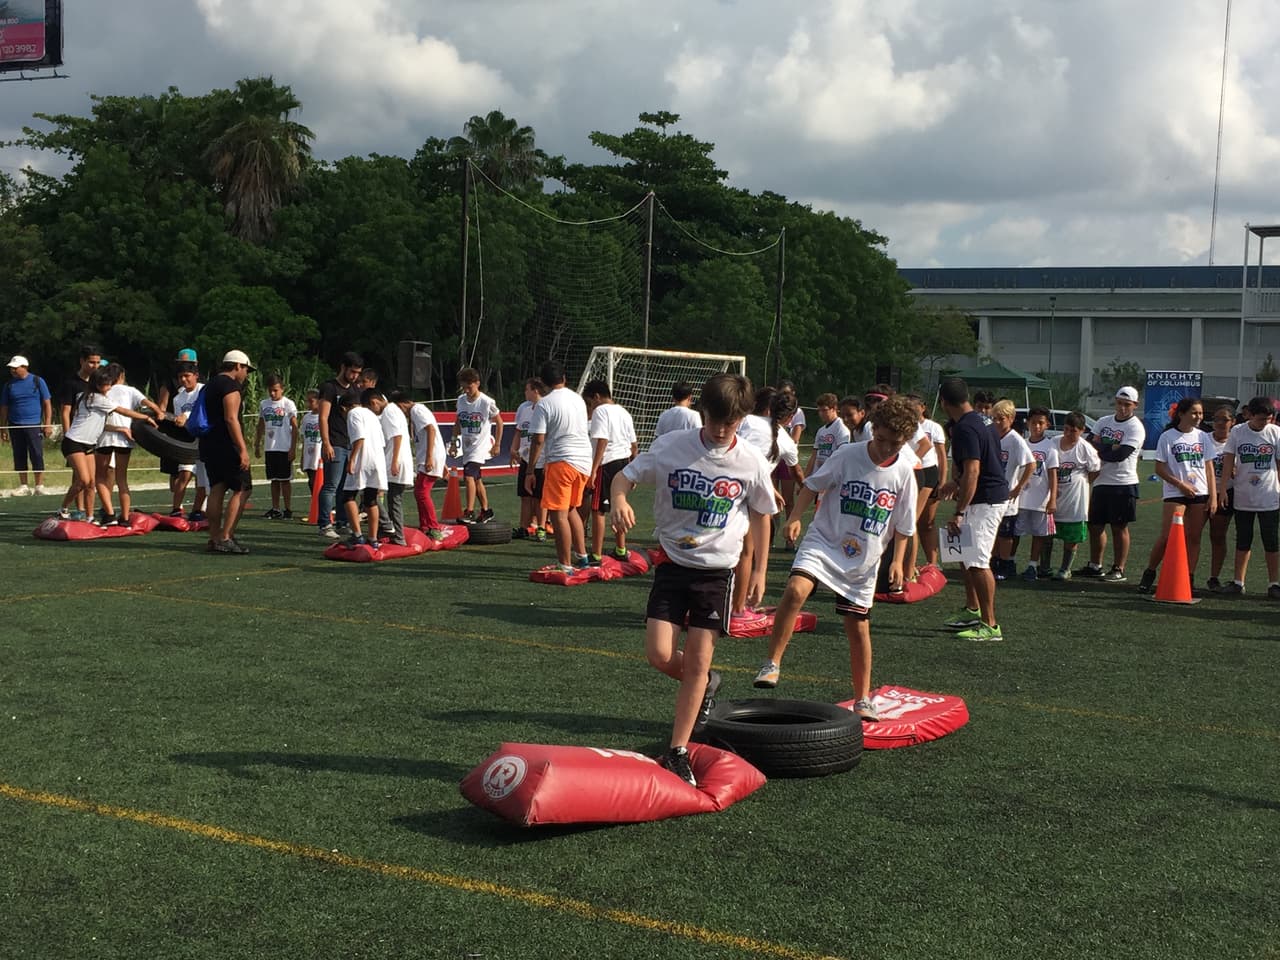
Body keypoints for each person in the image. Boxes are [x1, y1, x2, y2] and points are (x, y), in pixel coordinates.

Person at [609, 372, 776, 787]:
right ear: (702, 412)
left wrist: (758, 569)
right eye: (715, 420)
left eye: (731, 423)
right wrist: (619, 500)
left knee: (698, 662)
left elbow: (762, 514)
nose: (721, 431)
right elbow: (623, 476)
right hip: (671, 564)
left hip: (716, 573)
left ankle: (677, 748)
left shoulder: (751, 460)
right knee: (659, 655)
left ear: (742, 419)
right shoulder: (671, 447)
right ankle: (706, 682)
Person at [752, 395, 920, 718]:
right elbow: (812, 486)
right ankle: (772, 663)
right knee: (795, 590)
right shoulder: (848, 455)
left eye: (894, 443)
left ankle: (862, 698)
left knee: (858, 628)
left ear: (905, 441)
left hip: (864, 560)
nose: (885, 448)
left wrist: (898, 561)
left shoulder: (903, 474)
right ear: (873, 431)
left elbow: (904, 526)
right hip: (825, 541)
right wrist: (795, 517)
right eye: (881, 439)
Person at [936, 377, 1010, 641]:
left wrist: (958, 510)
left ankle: (990, 625)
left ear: (944, 402)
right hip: (984, 495)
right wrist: (954, 484)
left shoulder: (965, 428)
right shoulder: (982, 419)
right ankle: (972, 609)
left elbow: (974, 470)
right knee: (966, 555)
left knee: (978, 562)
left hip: (986, 500)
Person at [734, 387, 802, 614]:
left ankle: (725, 603)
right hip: (752, 497)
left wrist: (769, 487)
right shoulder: (787, 441)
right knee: (746, 553)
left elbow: (740, 454)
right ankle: (737, 608)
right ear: (790, 418)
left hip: (726, 488)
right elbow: (796, 473)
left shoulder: (747, 421)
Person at [1138, 398, 1215, 594]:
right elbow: (1160, 468)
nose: (1199, 417)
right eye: (1194, 413)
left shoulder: (1203, 437)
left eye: (1201, 413)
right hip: (1175, 493)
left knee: (1194, 537)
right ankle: (1150, 572)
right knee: (1168, 536)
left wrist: (1212, 496)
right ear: (1182, 414)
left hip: (1199, 493)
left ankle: (1188, 577)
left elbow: (1209, 468)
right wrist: (1180, 485)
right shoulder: (1168, 436)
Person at [57, 367, 156, 522]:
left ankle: (89, 517)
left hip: (89, 444)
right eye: (104, 385)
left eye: (109, 384)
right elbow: (122, 410)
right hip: (74, 442)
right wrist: (145, 417)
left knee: (91, 483)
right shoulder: (95, 398)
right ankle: (63, 508)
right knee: (83, 480)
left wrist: (120, 428)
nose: (108, 388)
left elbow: (101, 424)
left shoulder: (98, 398)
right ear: (96, 384)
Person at [526, 361, 593, 576]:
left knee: (558, 514)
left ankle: (565, 564)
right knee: (572, 508)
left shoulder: (544, 404)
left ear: (543, 383)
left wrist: (530, 471)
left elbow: (538, 440)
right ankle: (582, 556)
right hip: (583, 461)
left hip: (562, 461)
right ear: (563, 378)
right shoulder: (578, 399)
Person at [1077, 386, 1146, 582]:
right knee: (1095, 525)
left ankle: (1118, 568)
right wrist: (1109, 446)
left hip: (1123, 483)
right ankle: (1095, 565)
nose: (1122, 408)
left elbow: (1120, 455)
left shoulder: (1135, 427)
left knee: (1118, 527)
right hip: (1101, 481)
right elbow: (1089, 445)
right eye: (1119, 403)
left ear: (1135, 405)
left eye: (1127, 404)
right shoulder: (1103, 421)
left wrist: (1102, 447)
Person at [1218, 396, 1280, 598]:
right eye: (1262, 419)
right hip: (1243, 496)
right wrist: (1222, 489)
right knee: (1243, 540)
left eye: (1269, 419)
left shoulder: (1276, 432)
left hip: (1269, 495)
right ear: (1249, 415)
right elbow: (1228, 460)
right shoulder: (1238, 432)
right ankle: (1238, 582)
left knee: (1271, 541)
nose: (1266, 423)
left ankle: (1274, 583)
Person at [94, 364, 163, 525]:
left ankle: (109, 514)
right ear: (122, 376)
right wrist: (159, 413)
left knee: (101, 477)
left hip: (105, 436)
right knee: (122, 479)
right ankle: (124, 517)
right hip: (125, 438)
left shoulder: (103, 390)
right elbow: (149, 404)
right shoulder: (130, 390)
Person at [200, 351, 255, 554]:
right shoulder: (230, 386)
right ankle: (226, 536)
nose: (246, 374)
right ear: (238, 366)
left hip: (208, 443)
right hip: (227, 444)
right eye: (246, 370)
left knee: (217, 488)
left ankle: (214, 538)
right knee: (242, 488)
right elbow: (231, 419)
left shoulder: (209, 385)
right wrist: (242, 449)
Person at [583, 379, 638, 563]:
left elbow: (602, 441)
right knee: (618, 506)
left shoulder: (601, 411)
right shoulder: (624, 412)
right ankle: (621, 549)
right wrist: (634, 469)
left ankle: (596, 554)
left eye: (590, 402)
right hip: (624, 463)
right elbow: (634, 446)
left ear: (596, 397)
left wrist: (593, 470)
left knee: (598, 509)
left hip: (607, 463)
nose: (591, 407)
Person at [1046, 412, 1100, 579]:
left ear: (1082, 430)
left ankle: (1065, 568)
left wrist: (1082, 483)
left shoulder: (1085, 448)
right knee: (1047, 533)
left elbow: (1095, 470)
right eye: (1066, 430)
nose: (1069, 434)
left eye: (1073, 431)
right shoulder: (1053, 443)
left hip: (1075, 499)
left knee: (1072, 535)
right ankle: (1044, 567)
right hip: (1053, 496)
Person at [317, 352, 364, 539]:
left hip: (350, 443)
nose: (354, 376)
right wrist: (326, 443)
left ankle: (343, 521)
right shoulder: (329, 388)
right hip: (335, 442)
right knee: (331, 485)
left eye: (357, 373)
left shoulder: (355, 391)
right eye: (352, 371)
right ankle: (324, 524)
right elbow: (323, 417)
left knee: (346, 486)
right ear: (343, 367)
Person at [394, 390, 448, 542]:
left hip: (429, 456)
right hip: (428, 455)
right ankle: (425, 525)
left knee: (422, 492)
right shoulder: (416, 412)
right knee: (419, 492)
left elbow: (431, 429)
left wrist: (430, 456)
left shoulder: (417, 410)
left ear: (401, 405)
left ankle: (433, 526)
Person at [991, 399, 1036, 581]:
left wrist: (1018, 487)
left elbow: (1031, 464)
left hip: (1007, 494)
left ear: (1010, 418)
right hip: (992, 492)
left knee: (1005, 532)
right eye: (994, 418)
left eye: (1000, 419)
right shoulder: (992, 435)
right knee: (992, 530)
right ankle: (992, 561)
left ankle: (1005, 564)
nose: (996, 422)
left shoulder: (1015, 440)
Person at [1017, 407, 1060, 582]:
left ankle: (1032, 565)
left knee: (1038, 534)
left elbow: (1053, 475)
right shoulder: (1021, 443)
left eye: (1040, 423)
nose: (1036, 426)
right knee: (1014, 532)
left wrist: (1052, 499)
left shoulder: (1050, 447)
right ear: (1027, 423)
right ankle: (1009, 562)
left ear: (1047, 425)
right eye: (1033, 422)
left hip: (1040, 499)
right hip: (1019, 498)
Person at [59, 344, 103, 518]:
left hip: (91, 437)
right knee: (80, 477)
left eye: (98, 362)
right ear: (82, 361)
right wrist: (67, 434)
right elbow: (65, 411)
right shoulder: (71, 383)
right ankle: (77, 509)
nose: (95, 366)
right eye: (91, 362)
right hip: (75, 436)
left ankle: (87, 513)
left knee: (88, 479)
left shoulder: (98, 384)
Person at [454, 367, 502, 523]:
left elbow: (499, 422)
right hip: (468, 446)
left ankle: (469, 511)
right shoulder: (461, 400)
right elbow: (458, 422)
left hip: (479, 447)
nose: (467, 390)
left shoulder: (486, 402)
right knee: (476, 479)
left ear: (477, 383)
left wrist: (497, 445)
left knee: (468, 476)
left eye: (470, 386)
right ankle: (486, 510)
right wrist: (454, 442)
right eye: (464, 387)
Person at [342, 389, 388, 548]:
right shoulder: (371, 415)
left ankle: (357, 535)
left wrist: (352, 459)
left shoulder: (352, 414)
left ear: (344, 408)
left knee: (347, 496)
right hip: (377, 459)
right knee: (371, 499)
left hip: (363, 460)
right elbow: (382, 441)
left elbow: (359, 437)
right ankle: (373, 538)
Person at [1, 355, 53, 495]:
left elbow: (47, 403)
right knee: (19, 454)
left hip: (33, 424)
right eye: (11, 368)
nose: (12, 371)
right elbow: (4, 407)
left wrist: (47, 424)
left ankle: (39, 485)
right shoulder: (9, 385)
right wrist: (3, 427)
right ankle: (23, 485)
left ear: (24, 367)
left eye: (15, 368)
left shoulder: (37, 381)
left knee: (37, 454)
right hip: (15, 424)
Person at [909, 395, 947, 572]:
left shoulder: (933, 427)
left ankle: (933, 562)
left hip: (927, 471)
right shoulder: (905, 423)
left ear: (923, 407)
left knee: (927, 522)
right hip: (911, 473)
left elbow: (941, 455)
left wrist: (943, 480)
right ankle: (911, 562)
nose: (911, 409)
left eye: (914, 406)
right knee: (911, 521)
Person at [371, 390, 413, 546]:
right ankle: (391, 531)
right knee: (389, 498)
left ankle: (394, 531)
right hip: (395, 460)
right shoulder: (393, 411)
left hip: (396, 461)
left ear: (375, 401)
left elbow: (397, 436)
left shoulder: (389, 411)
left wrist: (394, 461)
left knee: (386, 497)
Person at [254, 374, 298, 520]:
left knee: (285, 480)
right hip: (270, 447)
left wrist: (293, 448)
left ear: (282, 389)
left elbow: (295, 427)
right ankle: (275, 508)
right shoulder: (264, 404)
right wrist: (257, 443)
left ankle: (288, 509)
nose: (273, 393)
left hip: (284, 447)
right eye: (270, 390)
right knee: (273, 480)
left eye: (276, 390)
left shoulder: (288, 404)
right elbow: (261, 424)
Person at [511, 378, 549, 540]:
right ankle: (523, 527)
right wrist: (513, 449)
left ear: (535, 391)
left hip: (542, 459)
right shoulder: (525, 409)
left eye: (527, 389)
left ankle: (541, 527)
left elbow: (546, 437)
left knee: (540, 497)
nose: (525, 392)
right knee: (525, 495)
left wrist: (548, 460)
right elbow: (519, 431)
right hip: (526, 458)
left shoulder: (546, 408)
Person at [170, 363, 208, 521]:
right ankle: (176, 509)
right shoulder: (178, 398)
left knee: (202, 478)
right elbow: (180, 421)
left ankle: (197, 510)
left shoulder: (204, 390)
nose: (184, 379)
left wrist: (187, 414)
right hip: (189, 441)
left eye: (187, 376)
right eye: (181, 377)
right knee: (184, 474)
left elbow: (204, 411)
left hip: (205, 439)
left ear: (196, 375)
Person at [1204, 405, 1236, 591]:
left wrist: (1235, 471)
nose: (1220, 423)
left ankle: (1214, 577)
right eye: (1216, 419)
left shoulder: (1235, 441)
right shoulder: (1204, 439)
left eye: (1224, 419)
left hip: (1225, 493)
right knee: (1191, 535)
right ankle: (1186, 574)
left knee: (1217, 535)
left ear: (1233, 422)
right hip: (1203, 491)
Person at [804, 393, 850, 477]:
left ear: (834, 409)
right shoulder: (820, 431)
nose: (821, 413)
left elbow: (841, 458)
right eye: (819, 410)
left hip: (830, 479)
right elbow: (813, 457)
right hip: (816, 476)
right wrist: (805, 478)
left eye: (824, 410)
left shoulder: (841, 429)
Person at [299, 389, 322, 503]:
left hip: (320, 455)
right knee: (311, 481)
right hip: (309, 454)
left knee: (320, 482)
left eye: (311, 401)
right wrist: (302, 457)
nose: (308, 404)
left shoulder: (324, 417)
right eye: (307, 401)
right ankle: (315, 505)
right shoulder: (306, 418)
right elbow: (304, 438)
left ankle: (323, 507)